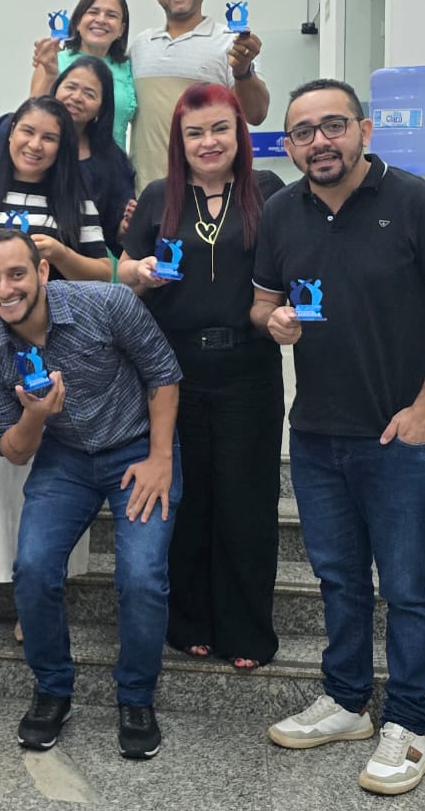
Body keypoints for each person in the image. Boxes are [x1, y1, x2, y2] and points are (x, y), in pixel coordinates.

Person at [252, 79, 425, 796]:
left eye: (332, 126)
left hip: (398, 436)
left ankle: (409, 726)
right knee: (338, 578)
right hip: (317, 433)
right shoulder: (282, 212)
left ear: (364, 129)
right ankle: (348, 702)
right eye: (302, 132)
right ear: (287, 146)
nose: (319, 142)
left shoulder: (417, 202)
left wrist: (424, 410)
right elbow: (263, 303)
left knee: (408, 586)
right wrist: (275, 324)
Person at [0, 228, 183, 760]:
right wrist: (35, 417)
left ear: (42, 272)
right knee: (35, 566)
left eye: (17, 273)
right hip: (64, 458)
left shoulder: (105, 303)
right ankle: (52, 690)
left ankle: (135, 697)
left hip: (137, 445)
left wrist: (161, 459)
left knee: (141, 576)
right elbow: (15, 452)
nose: (6, 289)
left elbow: (164, 374)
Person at [118, 82, 285, 670]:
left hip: (249, 366)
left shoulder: (267, 191)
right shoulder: (160, 195)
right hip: (173, 369)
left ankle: (246, 632)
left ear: (238, 132)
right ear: (179, 141)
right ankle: (189, 621)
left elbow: (287, 269)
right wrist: (138, 269)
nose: (208, 142)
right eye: (195, 133)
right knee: (188, 499)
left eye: (219, 129)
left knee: (246, 499)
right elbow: (123, 268)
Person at [0, 96, 109, 588]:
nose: (35, 144)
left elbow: (103, 273)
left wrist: (57, 252)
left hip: (60, 334)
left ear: (63, 147)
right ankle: (2, 574)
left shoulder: (76, 200)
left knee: (57, 460)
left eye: (49, 137)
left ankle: (47, 578)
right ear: (9, 135)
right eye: (26, 132)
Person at [0, 57, 137, 256]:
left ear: (102, 106)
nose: (76, 97)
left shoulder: (111, 161)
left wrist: (127, 227)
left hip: (71, 273)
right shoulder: (12, 131)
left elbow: (112, 232)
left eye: (89, 94)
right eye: (71, 87)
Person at [130, 0, 269, 190]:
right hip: (145, 195)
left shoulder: (231, 42)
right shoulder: (140, 46)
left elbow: (256, 114)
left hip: (209, 195)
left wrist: (243, 72)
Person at [29, 0, 137, 151]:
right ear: (78, 21)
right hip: (62, 165)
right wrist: (50, 74)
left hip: (114, 170)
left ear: (121, 30)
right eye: (93, 12)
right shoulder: (53, 61)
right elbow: (32, 115)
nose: (101, 20)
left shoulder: (128, 68)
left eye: (111, 15)